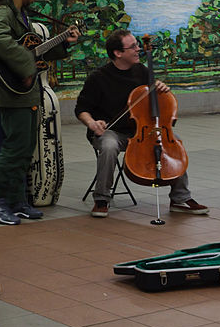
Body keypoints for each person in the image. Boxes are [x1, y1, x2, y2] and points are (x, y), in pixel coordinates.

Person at [0, 0, 79, 225]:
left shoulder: (20, 15)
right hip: (12, 91)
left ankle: (16, 200)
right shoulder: (3, 13)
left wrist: (63, 44)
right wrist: (25, 65)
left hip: (25, 92)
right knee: (15, 148)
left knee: (25, 148)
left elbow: (34, 50)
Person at [75, 29, 209, 218]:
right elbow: (81, 109)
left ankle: (180, 198)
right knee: (109, 144)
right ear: (118, 53)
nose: (138, 49)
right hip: (111, 131)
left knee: (175, 142)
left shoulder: (142, 71)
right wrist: (92, 123)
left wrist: (161, 88)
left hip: (141, 131)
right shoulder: (98, 78)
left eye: (138, 45)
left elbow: (156, 99)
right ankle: (102, 198)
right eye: (133, 47)